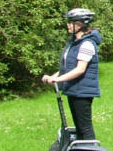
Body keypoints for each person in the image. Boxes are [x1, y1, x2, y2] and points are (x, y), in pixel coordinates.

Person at [42, 8, 102, 141]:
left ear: (80, 24)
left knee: (85, 127)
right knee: (79, 128)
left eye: (71, 22)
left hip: (83, 91)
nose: (68, 25)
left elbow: (80, 69)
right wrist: (53, 77)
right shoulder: (74, 43)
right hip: (74, 90)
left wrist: (58, 80)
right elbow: (68, 67)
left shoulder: (87, 44)